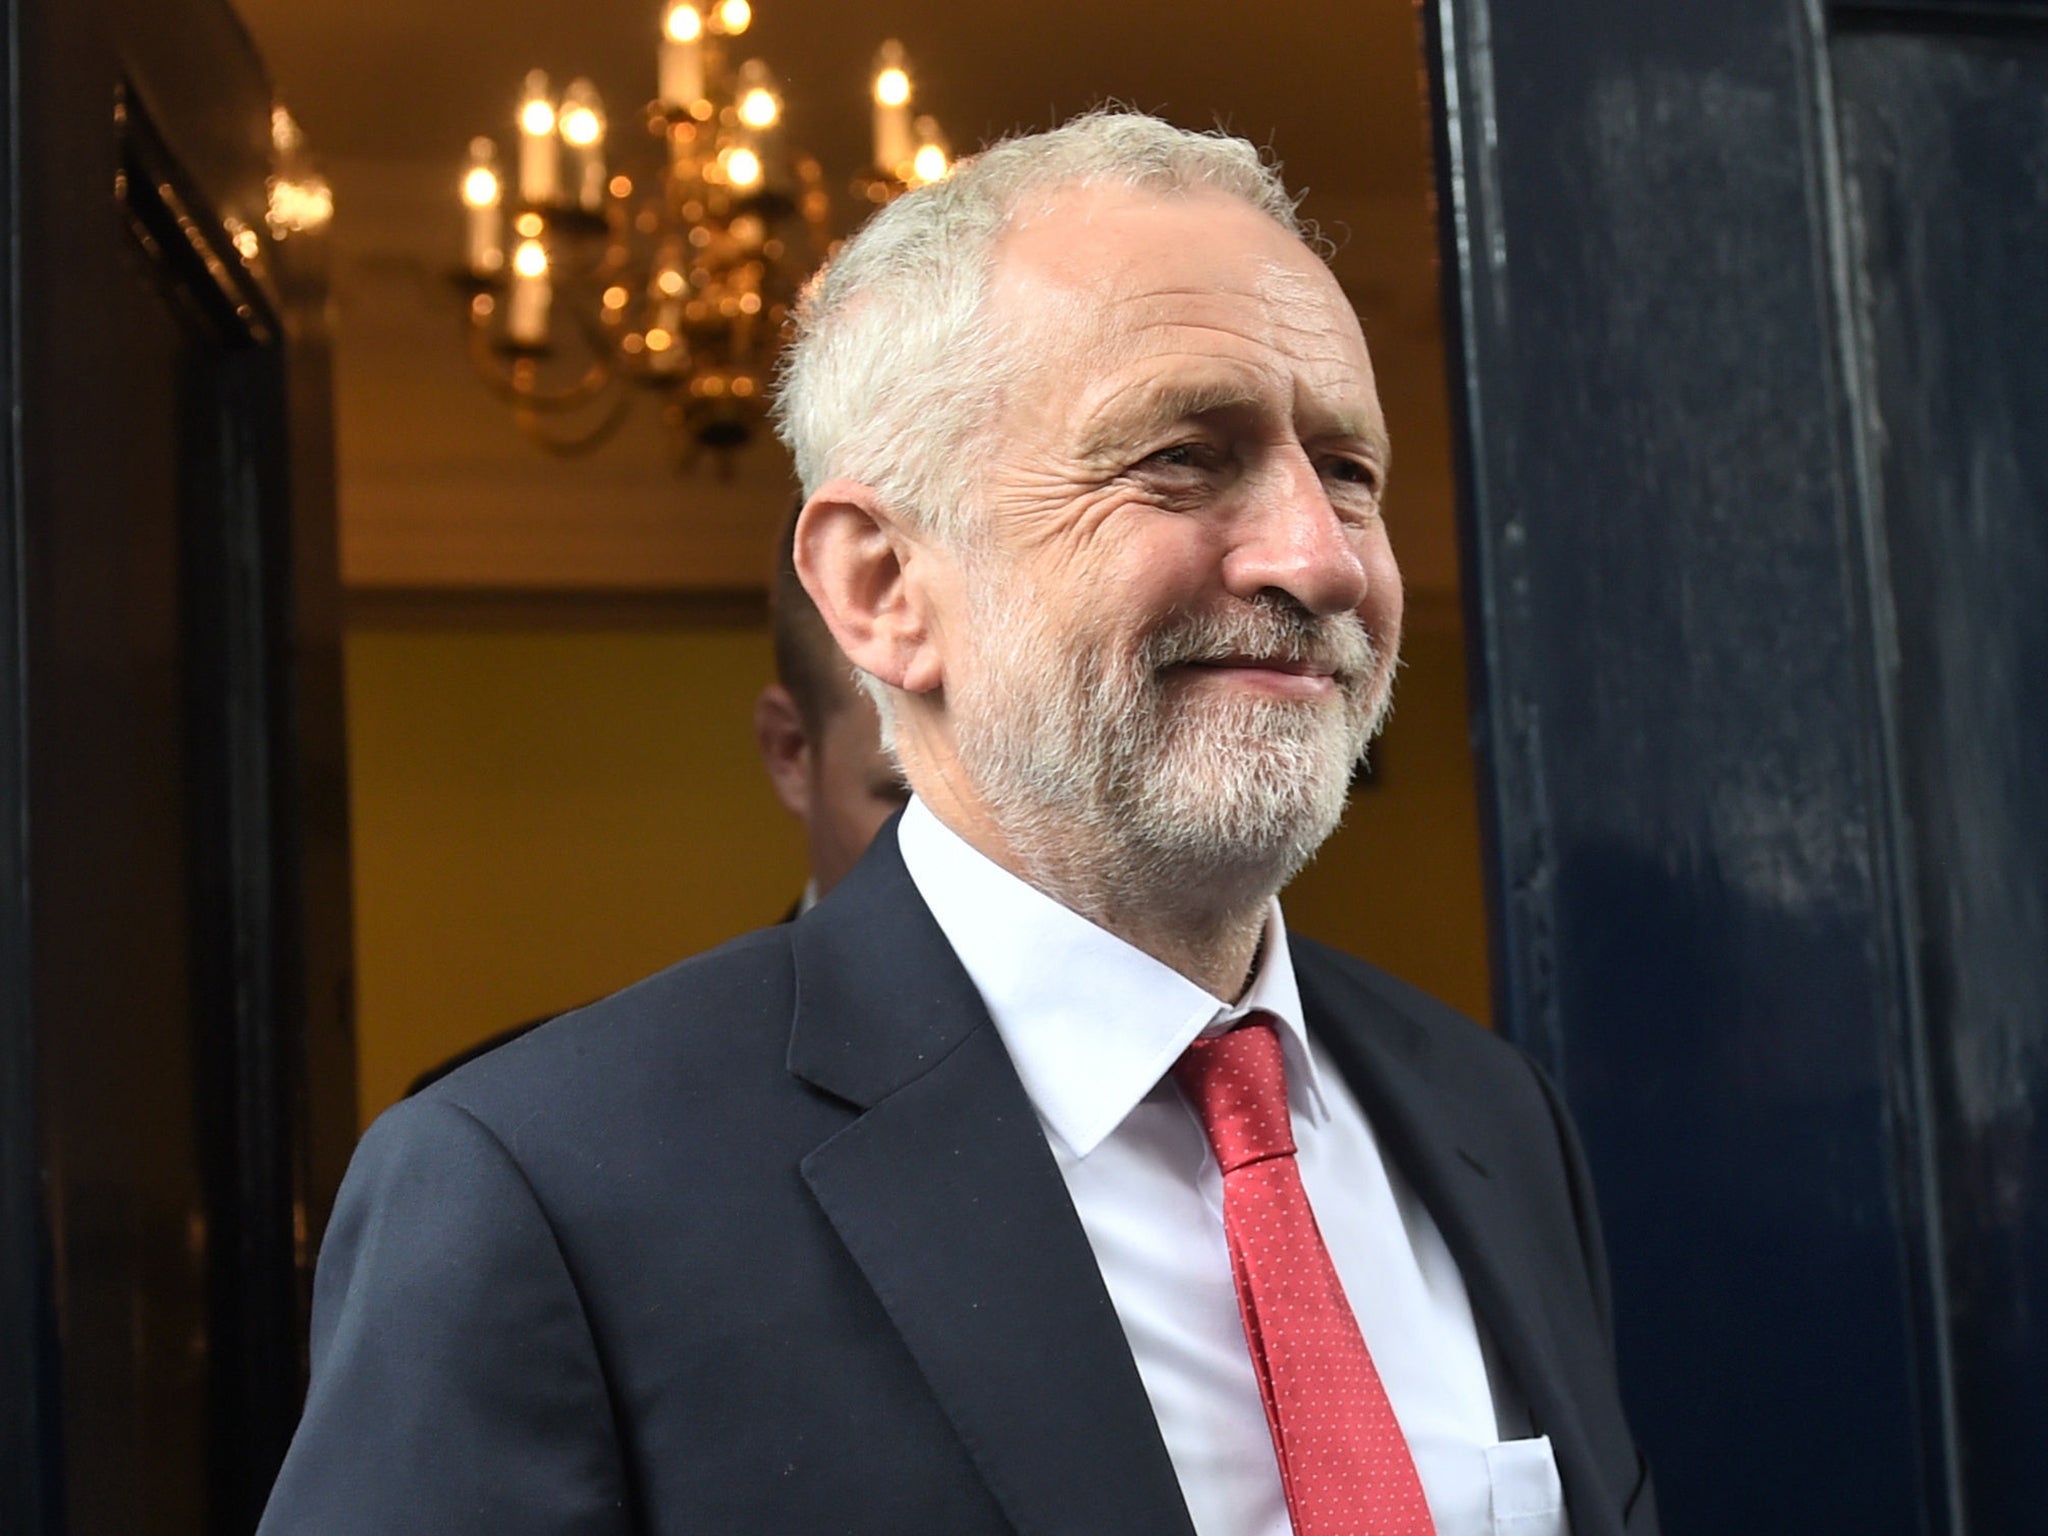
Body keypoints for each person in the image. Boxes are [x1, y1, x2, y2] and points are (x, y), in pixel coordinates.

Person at [260, 111, 1656, 1536]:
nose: (1316, 556)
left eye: (1348, 471)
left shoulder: (1491, 1121)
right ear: (879, 589)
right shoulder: (538, 1194)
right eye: (1181, 456)